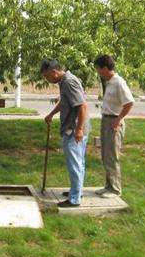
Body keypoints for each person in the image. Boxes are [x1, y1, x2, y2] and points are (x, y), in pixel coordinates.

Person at [41, 60, 90, 208]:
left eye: (46, 76)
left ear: (54, 72)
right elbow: (65, 102)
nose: (47, 80)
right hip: (75, 128)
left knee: (75, 164)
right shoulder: (64, 81)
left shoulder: (69, 82)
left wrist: (79, 129)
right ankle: (77, 191)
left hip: (74, 129)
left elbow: (82, 106)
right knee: (78, 162)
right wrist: (51, 114)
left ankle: (74, 199)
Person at [94, 55, 134, 198]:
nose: (98, 73)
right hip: (106, 121)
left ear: (105, 68)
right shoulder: (109, 82)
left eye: (99, 69)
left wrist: (118, 119)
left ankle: (115, 189)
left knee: (112, 156)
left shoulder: (119, 82)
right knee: (106, 155)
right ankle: (108, 186)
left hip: (114, 122)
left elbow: (129, 103)